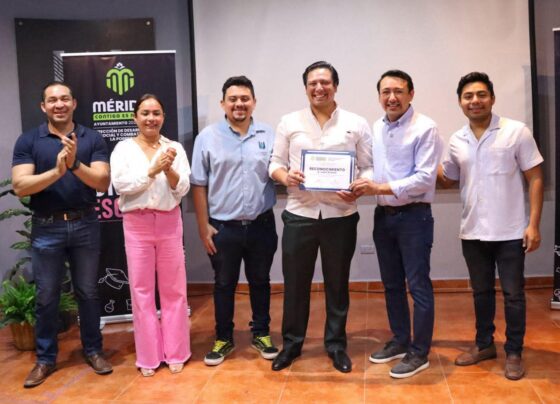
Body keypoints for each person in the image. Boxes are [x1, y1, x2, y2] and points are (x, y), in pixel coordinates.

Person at [438, 72, 544, 380]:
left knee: (513, 294)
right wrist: (420, 162)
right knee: (481, 292)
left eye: (481, 95)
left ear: (492, 98)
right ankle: (484, 344)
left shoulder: (516, 131)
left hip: (511, 231)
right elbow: (448, 178)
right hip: (472, 231)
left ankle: (514, 351)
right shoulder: (457, 139)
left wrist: (533, 224)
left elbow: (536, 177)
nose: (475, 101)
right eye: (468, 96)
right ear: (460, 102)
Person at [269, 61, 373, 373]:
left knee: (337, 284)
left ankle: (336, 345)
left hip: (341, 215)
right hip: (299, 214)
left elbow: (368, 167)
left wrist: (359, 187)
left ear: (335, 86)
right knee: (295, 284)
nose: (319, 88)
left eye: (325, 82)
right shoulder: (289, 121)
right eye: (313, 83)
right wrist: (285, 177)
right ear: (306, 88)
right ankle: (291, 345)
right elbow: (274, 163)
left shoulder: (356, 123)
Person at [12, 81, 112, 388]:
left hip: (85, 224)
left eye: (64, 99)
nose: (59, 104)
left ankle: (93, 351)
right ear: (43, 106)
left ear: (74, 103)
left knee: (88, 292)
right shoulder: (29, 140)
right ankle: (45, 359)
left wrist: (74, 164)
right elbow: (20, 186)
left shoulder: (91, 138)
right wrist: (56, 172)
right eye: (52, 100)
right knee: (46, 296)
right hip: (46, 227)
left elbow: (102, 182)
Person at [350, 70, 441, 378]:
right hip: (384, 217)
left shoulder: (425, 128)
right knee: (391, 284)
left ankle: (420, 352)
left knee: (418, 286)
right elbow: (372, 168)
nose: (392, 97)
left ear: (411, 94)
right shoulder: (376, 127)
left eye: (398, 91)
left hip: (414, 216)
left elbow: (424, 178)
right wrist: (356, 184)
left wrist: (378, 188)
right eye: (385, 92)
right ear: (379, 96)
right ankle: (401, 339)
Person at [191, 76, 278, 366]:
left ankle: (261, 333)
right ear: (223, 104)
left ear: (254, 102)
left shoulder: (269, 134)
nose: (239, 104)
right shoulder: (207, 137)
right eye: (233, 99)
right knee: (224, 283)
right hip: (222, 228)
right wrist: (203, 227)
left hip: (261, 225)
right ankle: (223, 338)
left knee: (260, 281)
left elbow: (279, 170)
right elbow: (198, 184)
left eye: (244, 98)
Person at [111, 94, 191, 376]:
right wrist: (152, 171)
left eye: (156, 113)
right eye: (145, 113)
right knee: (141, 291)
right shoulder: (123, 149)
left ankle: (177, 351)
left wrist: (168, 170)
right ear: (135, 117)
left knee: (174, 289)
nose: (151, 118)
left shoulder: (174, 148)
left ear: (163, 117)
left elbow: (183, 188)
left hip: (169, 222)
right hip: (137, 224)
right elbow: (121, 184)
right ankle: (148, 356)